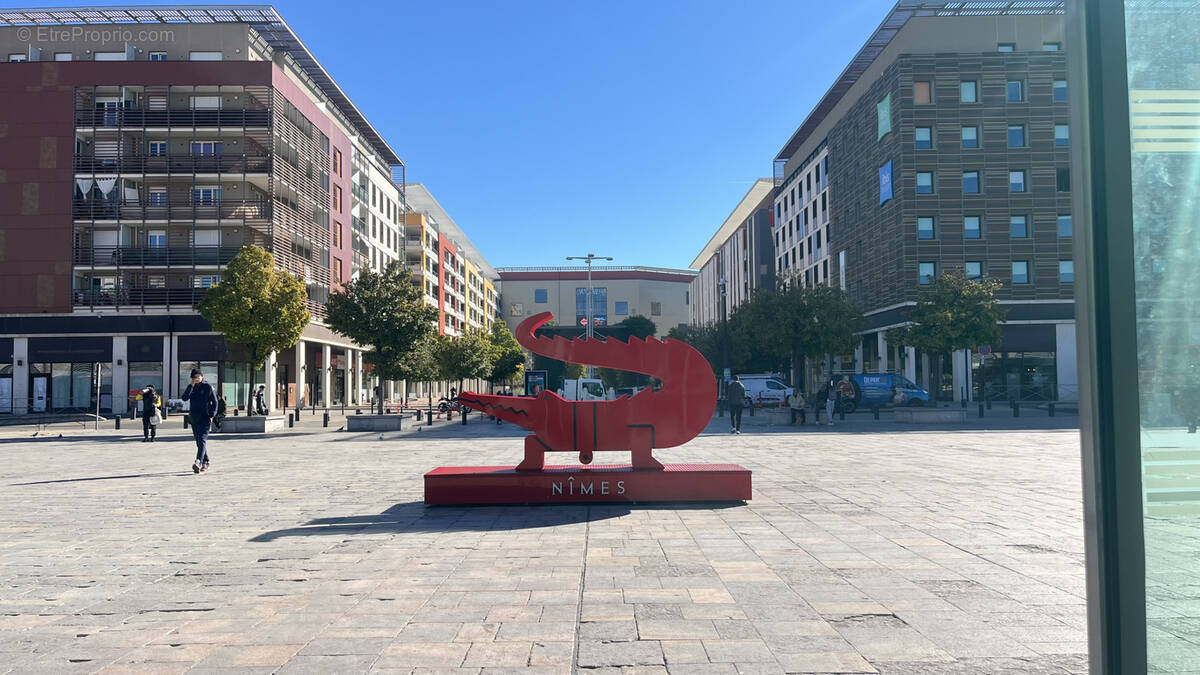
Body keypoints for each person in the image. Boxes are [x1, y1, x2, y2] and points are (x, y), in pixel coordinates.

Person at [183, 368, 218, 473]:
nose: (196, 379)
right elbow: (184, 398)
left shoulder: (208, 387)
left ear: (202, 376)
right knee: (199, 442)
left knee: (202, 439)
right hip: (194, 418)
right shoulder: (191, 387)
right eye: (194, 378)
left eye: (197, 377)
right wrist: (191, 386)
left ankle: (198, 462)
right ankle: (206, 462)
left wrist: (212, 415)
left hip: (205, 417)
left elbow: (215, 402)